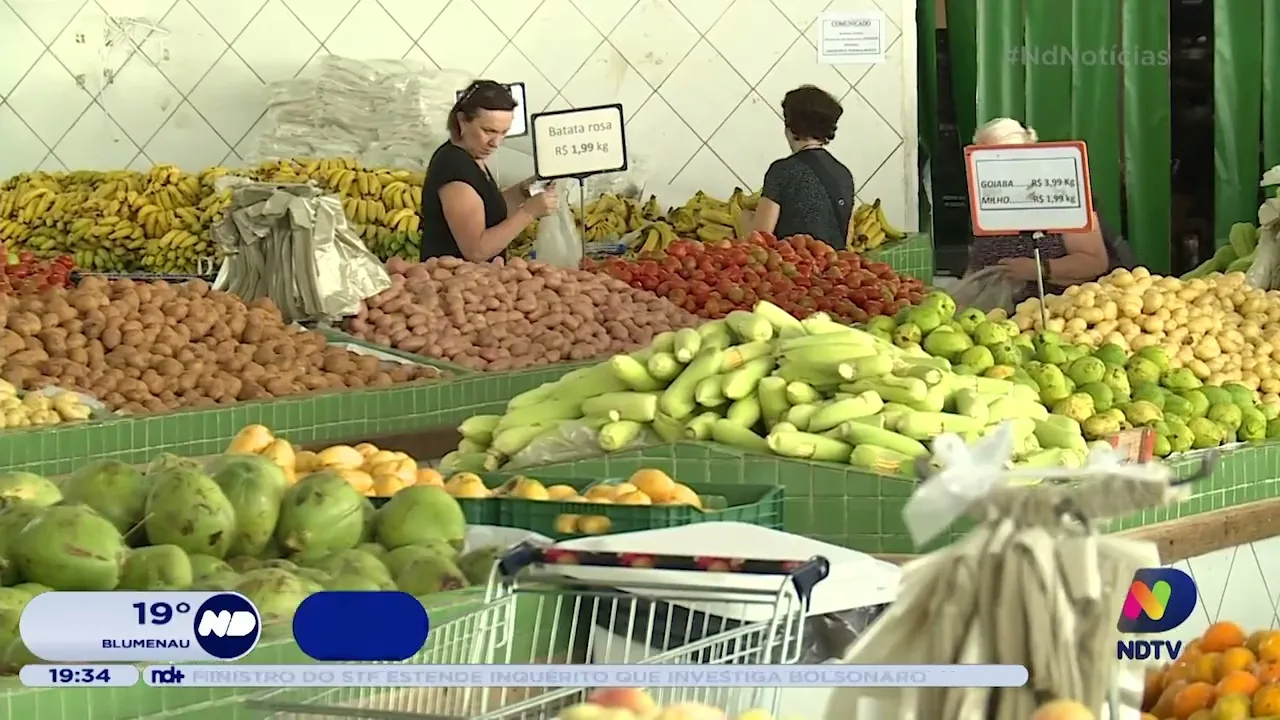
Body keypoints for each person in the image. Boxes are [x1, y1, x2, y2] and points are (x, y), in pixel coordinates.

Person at [967, 117, 1133, 302]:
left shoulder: (1059, 192)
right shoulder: (986, 200)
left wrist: (1036, 269)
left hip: (1057, 309)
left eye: (1001, 158)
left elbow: (1093, 261)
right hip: (990, 312)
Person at [420, 80, 558, 262]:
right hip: (455, 282)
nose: (496, 143)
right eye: (488, 131)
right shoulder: (454, 170)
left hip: (482, 281)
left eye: (503, 133)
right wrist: (529, 213)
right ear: (462, 122)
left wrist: (524, 191)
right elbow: (476, 251)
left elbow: (490, 210)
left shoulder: (472, 157)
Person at [750, 85, 855, 248]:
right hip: (834, 269)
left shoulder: (781, 171)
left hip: (793, 270)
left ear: (790, 128)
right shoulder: (843, 174)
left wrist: (745, 221)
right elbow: (846, 239)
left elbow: (760, 239)